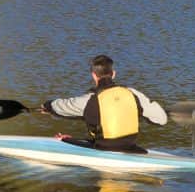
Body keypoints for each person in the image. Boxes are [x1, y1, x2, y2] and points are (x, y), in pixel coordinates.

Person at [40, 55, 168, 152]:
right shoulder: (133, 94)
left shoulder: (90, 99)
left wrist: (48, 106)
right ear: (113, 74)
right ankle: (68, 139)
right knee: (72, 138)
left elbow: (62, 106)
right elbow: (162, 119)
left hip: (103, 149)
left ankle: (64, 140)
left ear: (94, 75)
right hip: (131, 148)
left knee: (62, 139)